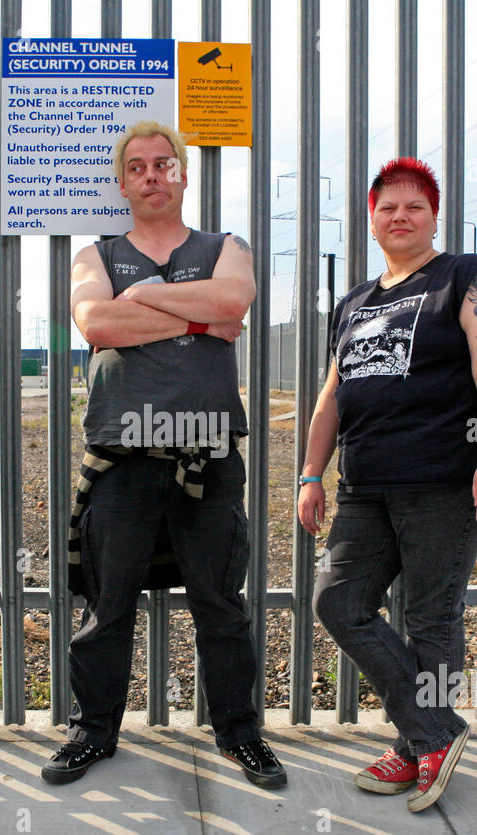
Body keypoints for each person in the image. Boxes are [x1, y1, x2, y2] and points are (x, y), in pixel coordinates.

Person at [41, 120, 286, 789]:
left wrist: (144, 302)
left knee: (219, 602)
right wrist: (200, 319)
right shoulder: (95, 255)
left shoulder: (224, 246)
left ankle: (240, 732)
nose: (153, 175)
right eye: (139, 167)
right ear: (122, 183)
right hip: (122, 455)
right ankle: (94, 732)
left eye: (164, 164)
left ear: (182, 175)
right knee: (107, 601)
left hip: (208, 455)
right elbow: (97, 323)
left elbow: (235, 297)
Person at [298, 157, 477, 812]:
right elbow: (333, 393)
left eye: (413, 206)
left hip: (443, 478)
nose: (400, 216)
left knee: (429, 617)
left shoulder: (467, 278)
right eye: (387, 207)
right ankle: (433, 733)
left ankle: (418, 741)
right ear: (372, 217)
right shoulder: (355, 302)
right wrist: (311, 472)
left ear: (433, 215)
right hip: (365, 485)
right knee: (339, 603)